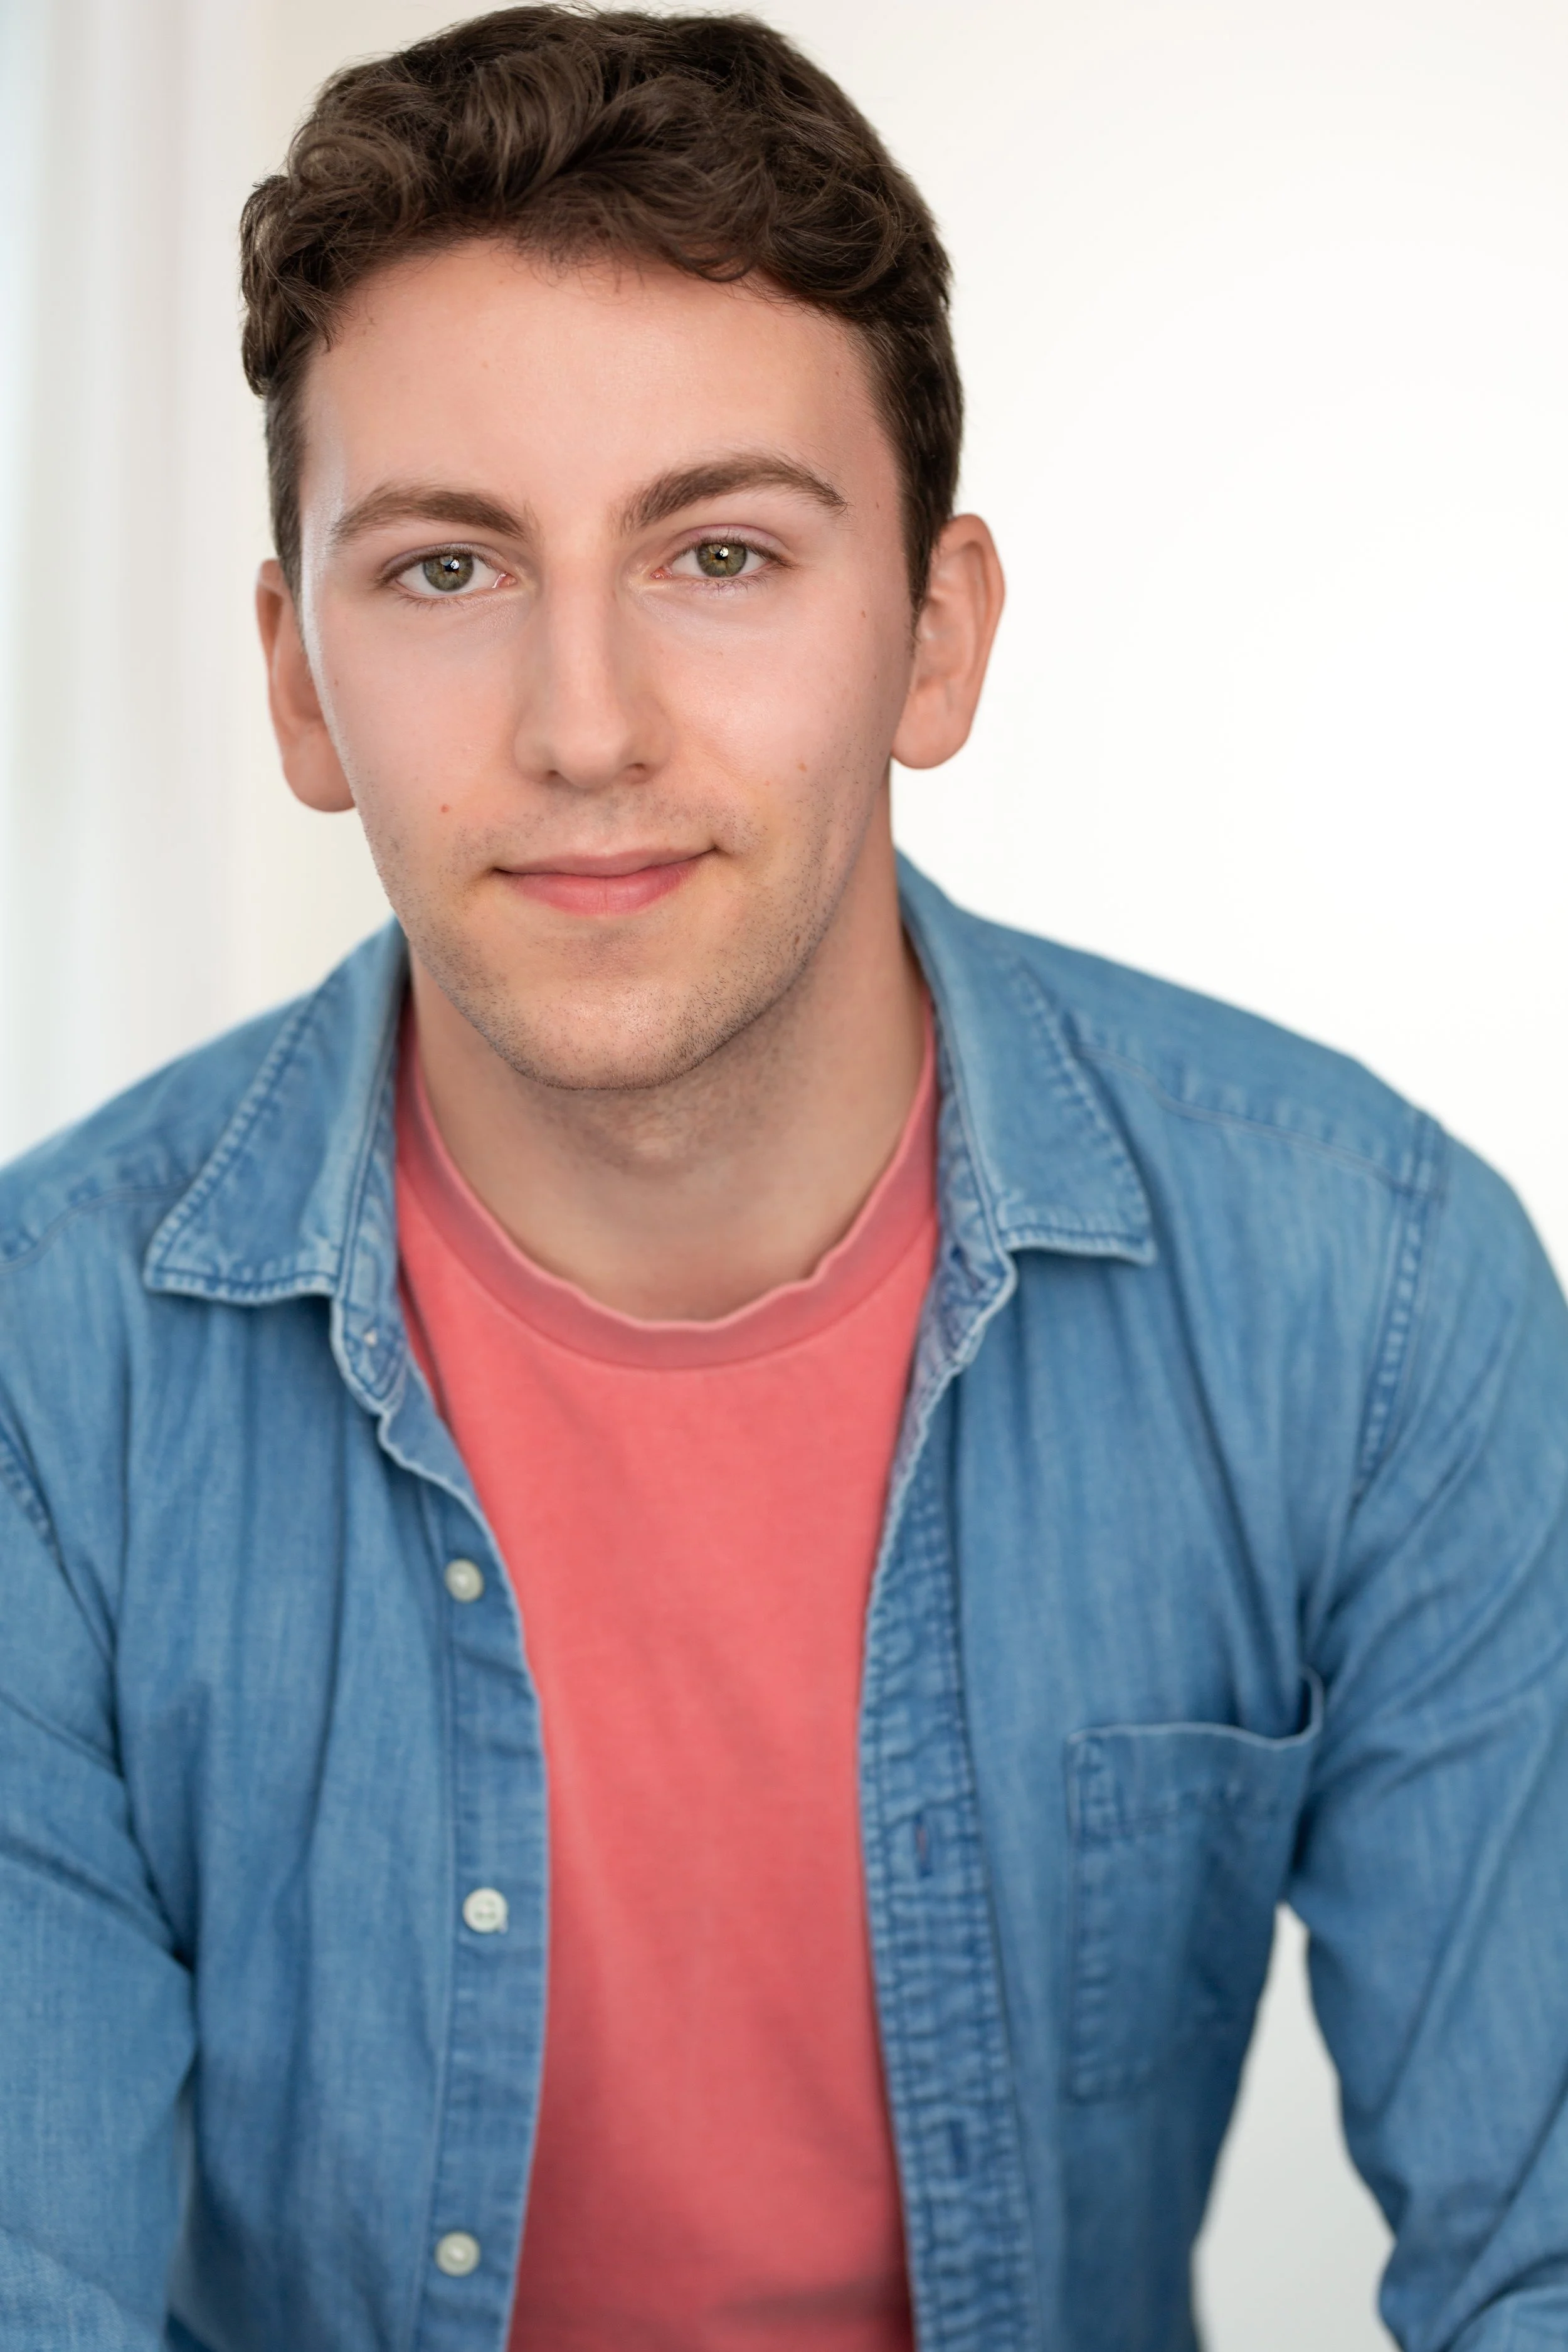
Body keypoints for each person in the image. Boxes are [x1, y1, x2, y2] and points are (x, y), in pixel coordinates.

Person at [2, 8, 1566, 2348]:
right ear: (300, 683)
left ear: (932, 635)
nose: (587, 722)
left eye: (717, 550)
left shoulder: (1377, 1297)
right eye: (444, 572)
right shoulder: (48, 1372)